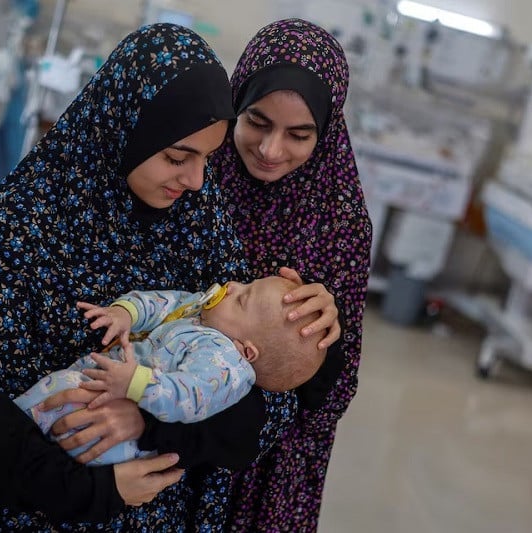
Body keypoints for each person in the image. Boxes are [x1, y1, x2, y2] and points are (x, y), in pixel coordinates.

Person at [0, 22, 338, 532]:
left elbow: (264, 404)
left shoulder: (200, 224)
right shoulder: (30, 223)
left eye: (207, 159)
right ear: (126, 129)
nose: (198, 180)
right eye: (177, 157)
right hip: (20, 508)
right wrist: (93, 490)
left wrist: (152, 422)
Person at [0, 276, 326, 509]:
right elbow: (163, 302)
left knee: (53, 401)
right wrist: (125, 313)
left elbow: (186, 397)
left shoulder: (225, 365)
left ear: (247, 349)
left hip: (121, 441)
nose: (232, 284)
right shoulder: (204, 316)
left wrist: (134, 385)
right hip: (108, 387)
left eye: (242, 298)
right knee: (45, 405)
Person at [209, 19, 373, 532]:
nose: (271, 150)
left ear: (326, 133)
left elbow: (332, 391)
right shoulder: (191, 176)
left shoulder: (341, 222)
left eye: (299, 135)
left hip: (268, 460)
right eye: (257, 121)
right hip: (162, 420)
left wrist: (330, 335)